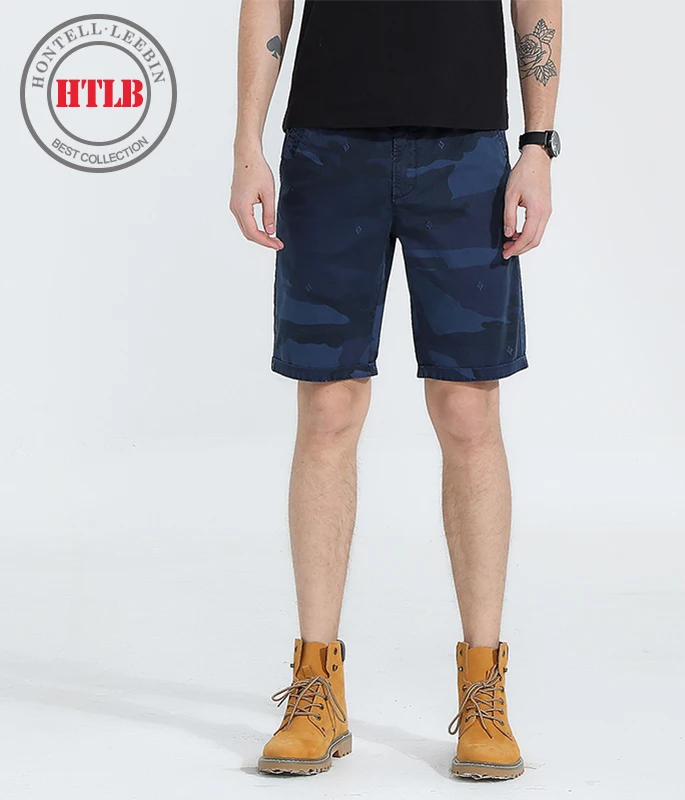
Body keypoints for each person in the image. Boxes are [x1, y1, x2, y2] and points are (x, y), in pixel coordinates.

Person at [229, 0, 562, 781]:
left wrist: (538, 143)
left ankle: (483, 689)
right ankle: (316, 687)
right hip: (327, 147)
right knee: (328, 406)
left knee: (469, 409)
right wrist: (248, 138)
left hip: (467, 148)